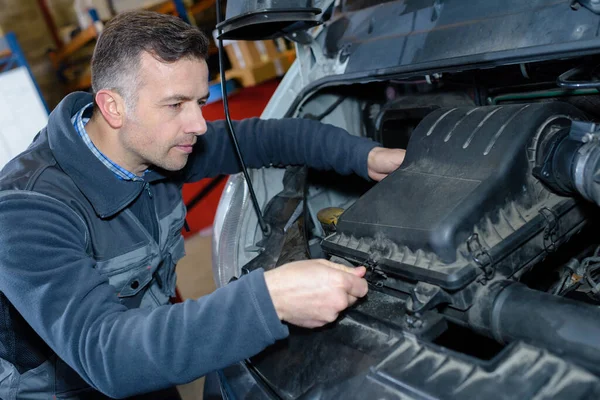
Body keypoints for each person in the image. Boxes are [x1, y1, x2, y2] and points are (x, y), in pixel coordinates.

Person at [0, 10, 405, 400]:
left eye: (200, 100)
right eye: (176, 104)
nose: (197, 123)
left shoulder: (156, 145)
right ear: (113, 107)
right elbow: (105, 353)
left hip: (150, 362)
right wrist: (269, 299)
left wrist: (364, 157)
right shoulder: (26, 209)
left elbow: (269, 138)